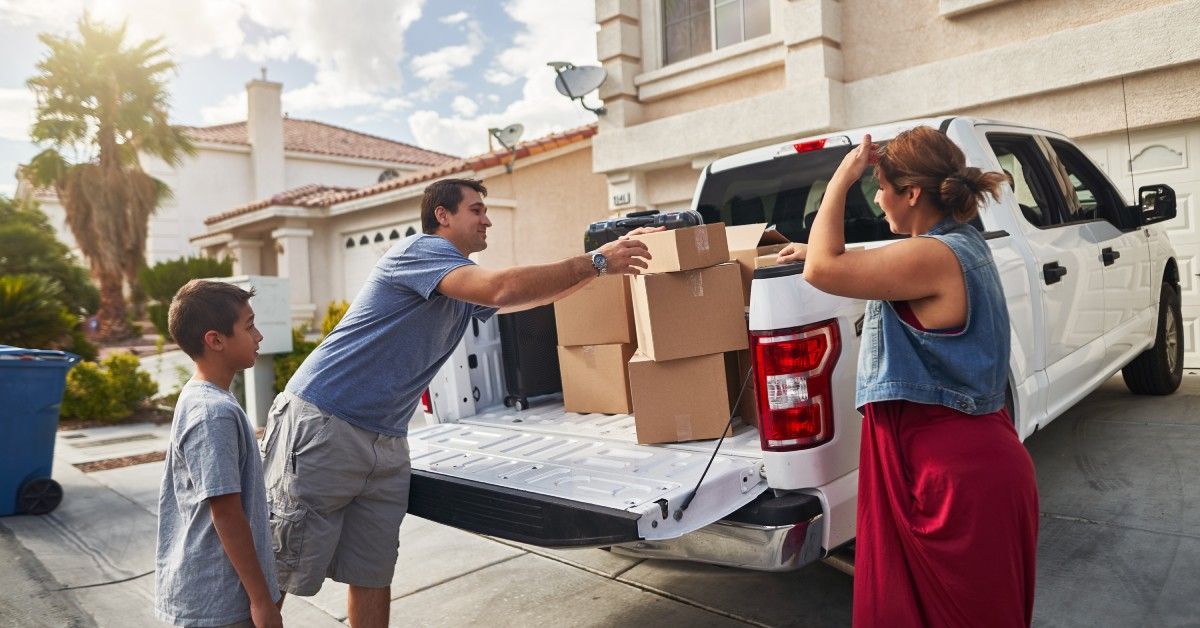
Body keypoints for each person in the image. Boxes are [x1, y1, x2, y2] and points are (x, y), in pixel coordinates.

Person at [262, 178, 655, 626]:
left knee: (371, 570)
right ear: (442, 216)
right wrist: (597, 259)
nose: (487, 219)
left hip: (386, 437)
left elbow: (531, 297)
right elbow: (503, 289)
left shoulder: (457, 280)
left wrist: (601, 267)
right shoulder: (421, 253)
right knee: (279, 565)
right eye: (476, 210)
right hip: (325, 421)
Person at [780, 127, 1039, 626]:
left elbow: (821, 269)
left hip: (950, 484)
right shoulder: (957, 245)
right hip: (966, 469)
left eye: (880, 187)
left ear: (912, 193)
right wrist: (807, 245)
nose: (877, 201)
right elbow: (856, 259)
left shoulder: (932, 257)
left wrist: (842, 175)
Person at [155, 280, 282, 628]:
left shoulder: (203, 397)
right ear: (215, 340)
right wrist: (261, 601)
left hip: (213, 596)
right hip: (217, 602)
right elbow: (225, 512)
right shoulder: (212, 413)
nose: (258, 336)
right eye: (249, 326)